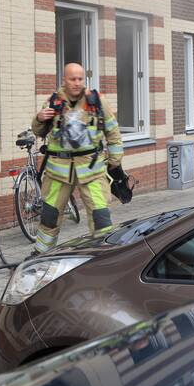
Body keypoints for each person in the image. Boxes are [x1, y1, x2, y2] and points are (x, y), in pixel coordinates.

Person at [30, 63, 123, 254]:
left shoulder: (97, 101)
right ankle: (40, 256)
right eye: (73, 79)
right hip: (58, 173)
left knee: (101, 217)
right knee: (49, 217)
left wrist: (115, 161)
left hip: (92, 170)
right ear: (64, 80)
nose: (77, 82)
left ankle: (104, 256)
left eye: (80, 78)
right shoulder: (52, 102)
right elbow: (39, 131)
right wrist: (39, 118)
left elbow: (113, 131)